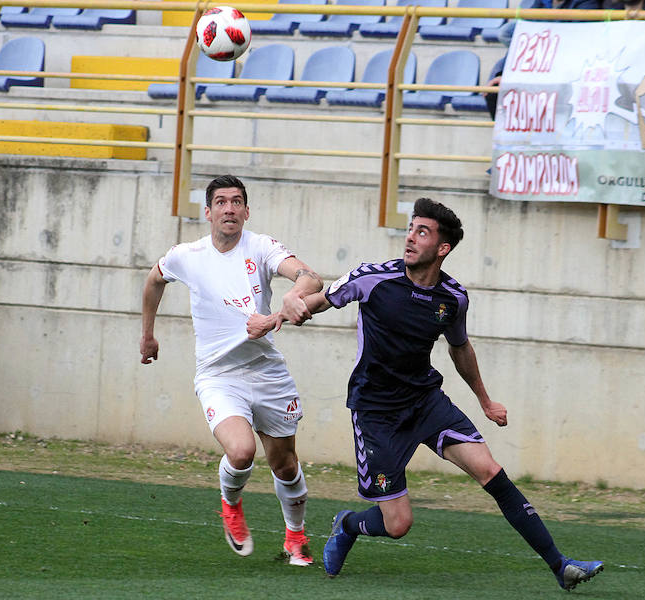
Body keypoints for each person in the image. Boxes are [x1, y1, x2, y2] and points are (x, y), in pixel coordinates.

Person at [247, 197, 604, 591]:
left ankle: (560, 566)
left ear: (443, 248)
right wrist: (287, 311)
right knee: (398, 525)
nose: (410, 238)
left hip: (426, 403)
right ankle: (348, 524)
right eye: (411, 229)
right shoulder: (373, 278)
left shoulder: (453, 298)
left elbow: (460, 347)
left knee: (490, 471)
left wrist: (485, 401)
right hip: (376, 413)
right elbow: (317, 301)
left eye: (423, 232)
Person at [140, 174, 323, 566]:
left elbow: (311, 278)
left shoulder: (261, 247)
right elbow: (155, 279)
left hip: (266, 371)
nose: (229, 208)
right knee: (241, 452)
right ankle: (231, 504)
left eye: (236, 201)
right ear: (207, 212)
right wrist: (148, 335)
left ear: (246, 211)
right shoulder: (186, 255)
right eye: (221, 202)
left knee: (285, 463)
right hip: (218, 376)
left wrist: (287, 300)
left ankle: (295, 536)